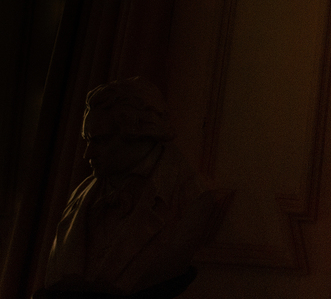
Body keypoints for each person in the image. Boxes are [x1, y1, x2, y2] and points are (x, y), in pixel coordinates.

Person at [42, 78, 217, 298]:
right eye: (87, 140)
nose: (87, 154)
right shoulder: (83, 192)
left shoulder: (189, 199)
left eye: (100, 141)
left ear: (139, 135)